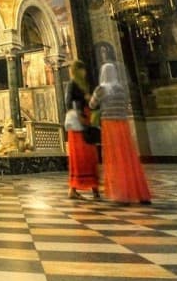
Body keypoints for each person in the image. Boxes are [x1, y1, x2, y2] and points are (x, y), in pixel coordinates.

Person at [90, 62, 151, 204]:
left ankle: (121, 193)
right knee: (129, 158)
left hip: (109, 124)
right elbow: (126, 105)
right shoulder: (121, 89)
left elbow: (92, 105)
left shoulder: (101, 89)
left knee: (113, 158)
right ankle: (140, 193)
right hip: (123, 124)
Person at [63, 60, 100, 200]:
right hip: (77, 123)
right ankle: (73, 189)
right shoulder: (72, 84)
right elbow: (68, 103)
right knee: (79, 157)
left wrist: (89, 100)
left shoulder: (85, 85)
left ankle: (95, 188)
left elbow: (89, 103)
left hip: (87, 120)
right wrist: (79, 114)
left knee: (91, 156)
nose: (84, 72)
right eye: (81, 70)